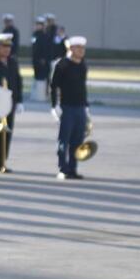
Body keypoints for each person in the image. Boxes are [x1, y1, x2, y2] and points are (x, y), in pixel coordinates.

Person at [50, 36, 89, 180]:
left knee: (77, 141)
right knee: (63, 140)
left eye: (83, 48)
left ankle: (73, 168)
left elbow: (82, 87)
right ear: (71, 49)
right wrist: (55, 106)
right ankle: (63, 168)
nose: (82, 51)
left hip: (80, 107)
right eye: (79, 48)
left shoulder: (83, 64)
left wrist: (86, 107)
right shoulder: (62, 64)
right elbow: (53, 87)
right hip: (66, 107)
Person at [0, 33, 23, 170]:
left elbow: (18, 81)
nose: (7, 49)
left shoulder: (12, 62)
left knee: (7, 133)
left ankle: (1, 162)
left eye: (9, 46)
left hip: (9, 103)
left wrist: (19, 101)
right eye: (4, 46)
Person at [31, 16, 52, 101]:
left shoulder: (45, 35)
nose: (37, 26)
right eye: (37, 24)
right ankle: (37, 94)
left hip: (43, 60)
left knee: (44, 77)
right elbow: (34, 47)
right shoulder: (35, 34)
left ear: (43, 26)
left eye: (39, 24)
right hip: (35, 59)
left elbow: (46, 48)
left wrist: (43, 58)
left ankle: (44, 94)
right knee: (37, 76)